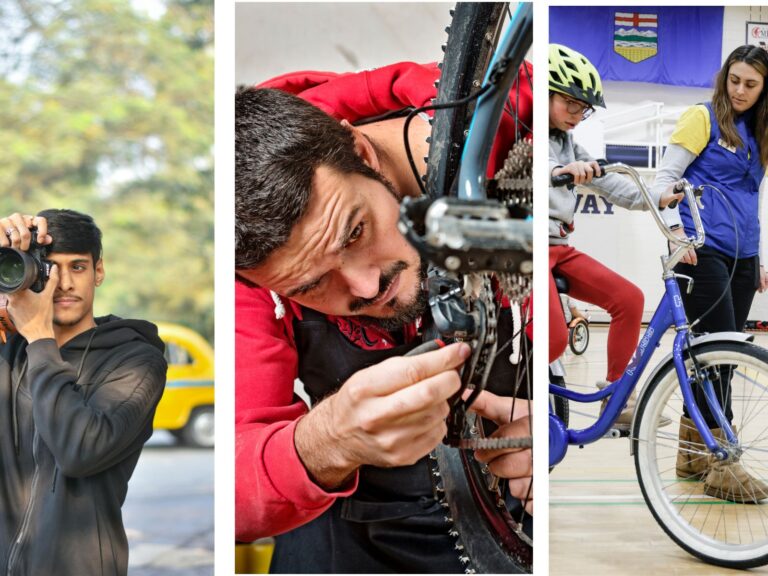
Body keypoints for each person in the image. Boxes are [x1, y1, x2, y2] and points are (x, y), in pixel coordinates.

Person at [235, 61, 533, 572]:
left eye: (355, 232)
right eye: (311, 286)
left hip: (506, 502)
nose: (366, 287)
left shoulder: (489, 119)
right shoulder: (240, 258)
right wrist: (324, 443)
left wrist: (549, 426)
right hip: (348, 520)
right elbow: (232, 478)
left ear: (362, 151)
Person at [0, 210, 167, 576]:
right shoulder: (9, 351)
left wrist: (40, 339)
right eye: (50, 269)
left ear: (99, 271)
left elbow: (79, 451)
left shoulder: (136, 361)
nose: (63, 284)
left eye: (77, 267)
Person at [653, 45, 768, 502]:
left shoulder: (760, 132)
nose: (740, 91)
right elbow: (664, 181)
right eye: (734, 80)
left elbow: (754, 198)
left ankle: (692, 454)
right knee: (715, 355)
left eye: (751, 84)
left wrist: (760, 257)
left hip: (744, 254)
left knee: (721, 360)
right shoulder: (700, 117)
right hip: (702, 250)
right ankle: (724, 462)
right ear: (725, 78)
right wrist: (678, 235)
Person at [548, 44, 682, 430]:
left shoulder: (568, 141)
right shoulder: (527, 133)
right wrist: (561, 170)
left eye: (583, 108)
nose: (577, 114)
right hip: (528, 247)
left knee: (629, 298)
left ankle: (616, 397)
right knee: (555, 339)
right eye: (570, 103)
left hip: (558, 248)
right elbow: (535, 166)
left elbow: (613, 186)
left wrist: (658, 195)